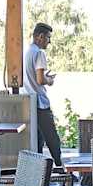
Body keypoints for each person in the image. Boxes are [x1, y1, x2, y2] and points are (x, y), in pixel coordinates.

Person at [23, 21, 63, 165]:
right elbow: (40, 80)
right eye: (48, 37)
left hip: (28, 102)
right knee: (52, 137)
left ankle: (38, 170)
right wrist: (49, 80)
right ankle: (60, 167)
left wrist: (44, 77)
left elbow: (32, 77)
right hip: (40, 103)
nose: (49, 41)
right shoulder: (39, 53)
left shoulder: (27, 52)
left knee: (37, 139)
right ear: (40, 36)